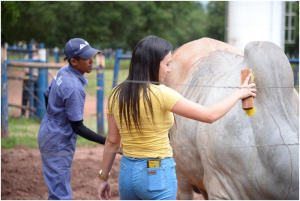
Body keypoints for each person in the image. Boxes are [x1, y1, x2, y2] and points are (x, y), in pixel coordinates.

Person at [97, 35, 256, 201]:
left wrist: (104, 178)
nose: (169, 69)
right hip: (157, 174)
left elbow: (112, 142)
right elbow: (209, 115)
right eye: (166, 63)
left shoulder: (116, 94)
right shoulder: (162, 94)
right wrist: (239, 93)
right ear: (153, 63)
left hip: (127, 173)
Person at [38, 38, 106, 200]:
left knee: (58, 188)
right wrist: (107, 141)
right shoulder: (74, 87)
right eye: (86, 58)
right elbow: (77, 127)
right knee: (61, 194)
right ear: (74, 61)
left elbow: (47, 95)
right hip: (58, 140)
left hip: (49, 130)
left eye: (92, 56)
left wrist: (55, 116)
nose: (92, 61)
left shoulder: (63, 71)